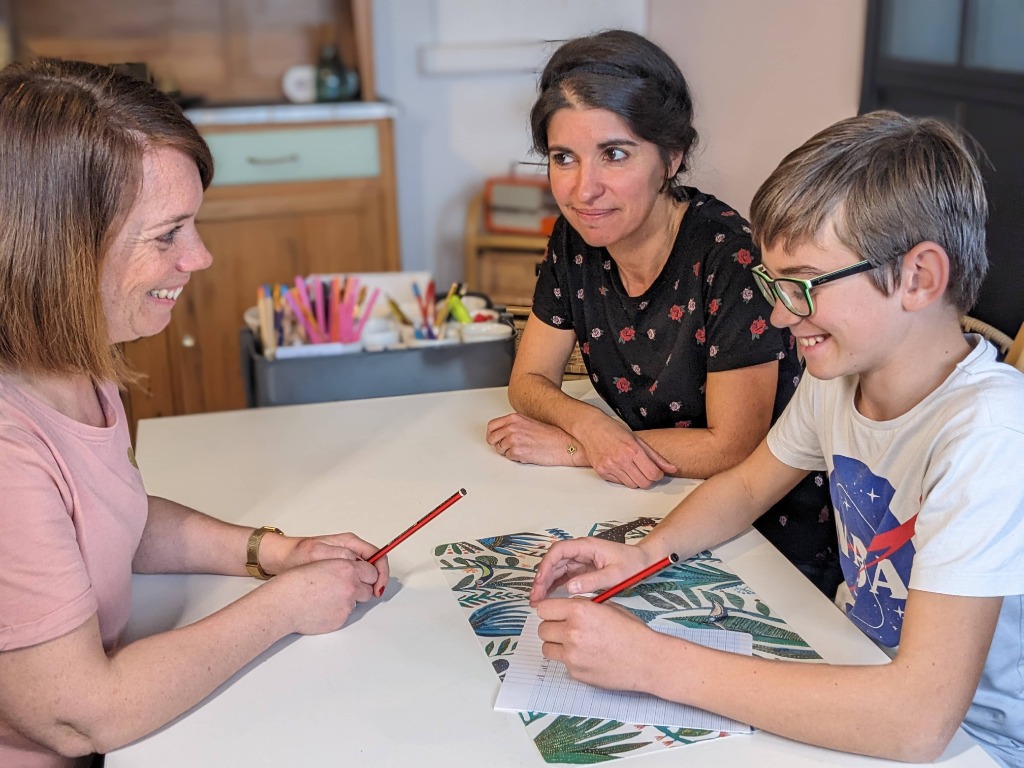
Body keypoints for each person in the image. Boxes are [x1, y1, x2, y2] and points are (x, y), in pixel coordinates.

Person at [529, 110, 1024, 766]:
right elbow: (745, 485)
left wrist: (652, 664)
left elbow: (917, 722)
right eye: (771, 283)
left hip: (972, 739)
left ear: (919, 279)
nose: (777, 313)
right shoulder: (840, 376)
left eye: (801, 285)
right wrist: (647, 553)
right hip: (855, 665)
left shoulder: (987, 436)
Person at [0, 59, 390, 768]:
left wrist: (273, 552)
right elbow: (80, 720)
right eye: (166, 235)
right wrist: (284, 607)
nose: (201, 257)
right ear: (58, 255)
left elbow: (114, 520)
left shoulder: (76, 356)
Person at [484, 30, 838, 596]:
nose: (583, 189)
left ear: (671, 158)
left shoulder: (729, 257)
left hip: (759, 536)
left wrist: (574, 448)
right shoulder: (573, 242)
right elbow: (527, 382)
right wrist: (589, 424)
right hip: (645, 499)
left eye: (615, 155)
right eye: (563, 158)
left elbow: (730, 447)